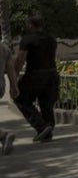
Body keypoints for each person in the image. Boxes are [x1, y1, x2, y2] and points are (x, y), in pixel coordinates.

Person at [14, 15, 59, 143]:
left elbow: (20, 59)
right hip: (52, 74)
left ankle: (41, 126)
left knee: (20, 99)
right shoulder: (51, 39)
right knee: (46, 103)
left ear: (30, 25)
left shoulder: (27, 40)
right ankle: (48, 130)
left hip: (35, 75)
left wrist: (14, 78)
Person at [0, 37, 18, 155]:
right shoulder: (4, 48)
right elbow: (11, 69)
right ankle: (3, 138)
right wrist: (14, 86)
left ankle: (3, 134)